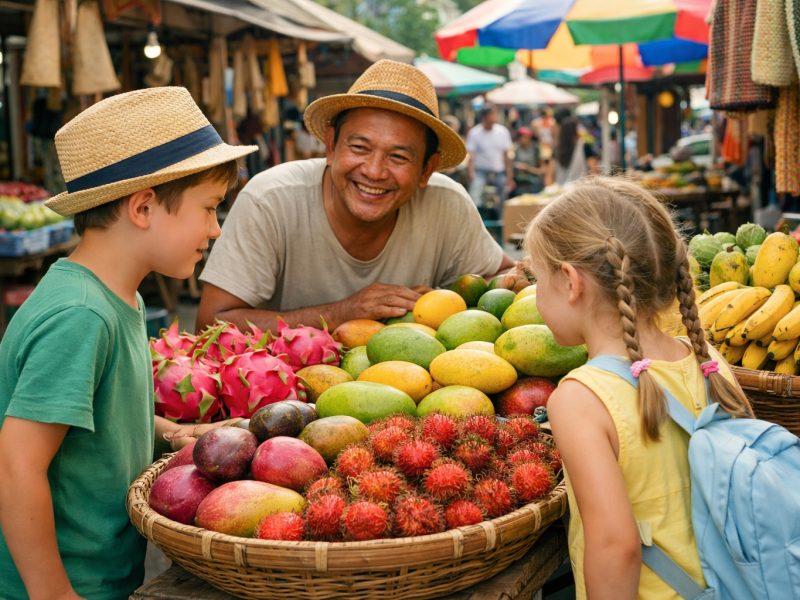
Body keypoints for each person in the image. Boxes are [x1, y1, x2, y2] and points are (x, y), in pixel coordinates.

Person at [0, 87, 256, 600]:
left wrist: (174, 431)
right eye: (209, 209)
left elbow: (96, 415)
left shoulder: (120, 297)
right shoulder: (80, 316)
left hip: (104, 574)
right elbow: (16, 463)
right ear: (142, 207)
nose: (215, 230)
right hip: (66, 583)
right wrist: (53, 593)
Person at [523, 177, 753, 598]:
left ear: (571, 282)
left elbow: (616, 547)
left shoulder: (579, 399)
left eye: (536, 277)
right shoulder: (706, 359)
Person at [197, 60, 523, 333]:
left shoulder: (447, 203)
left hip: (411, 393)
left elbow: (498, 279)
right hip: (280, 400)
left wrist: (448, 298)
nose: (374, 171)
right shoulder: (271, 199)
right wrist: (344, 313)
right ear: (330, 146)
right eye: (359, 148)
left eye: (398, 157)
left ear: (427, 169)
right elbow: (211, 325)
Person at [465, 104, 514, 210]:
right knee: (475, 193)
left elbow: (507, 156)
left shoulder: (502, 132)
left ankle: (501, 220)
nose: (494, 117)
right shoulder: (475, 133)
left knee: (503, 195)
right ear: (484, 117)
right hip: (480, 172)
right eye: (491, 115)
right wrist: (471, 173)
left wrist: (509, 176)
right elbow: (471, 155)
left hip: (498, 172)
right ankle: (476, 217)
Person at [511, 126, 545, 195]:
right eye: (520, 137)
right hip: (519, 182)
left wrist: (527, 168)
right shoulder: (515, 149)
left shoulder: (535, 149)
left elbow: (542, 170)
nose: (523, 140)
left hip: (533, 181)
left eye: (525, 137)